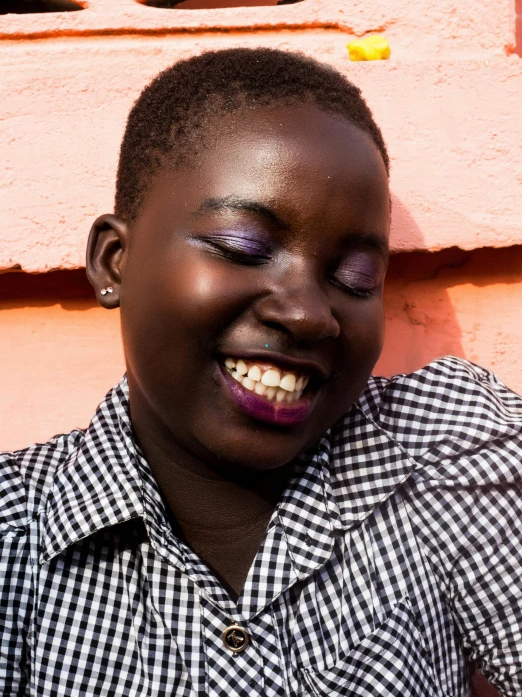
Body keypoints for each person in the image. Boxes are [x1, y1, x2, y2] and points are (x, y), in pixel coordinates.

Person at [1, 48, 521, 697]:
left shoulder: (443, 451)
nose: (308, 314)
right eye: (243, 247)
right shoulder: (15, 536)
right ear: (114, 262)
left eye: (356, 278)